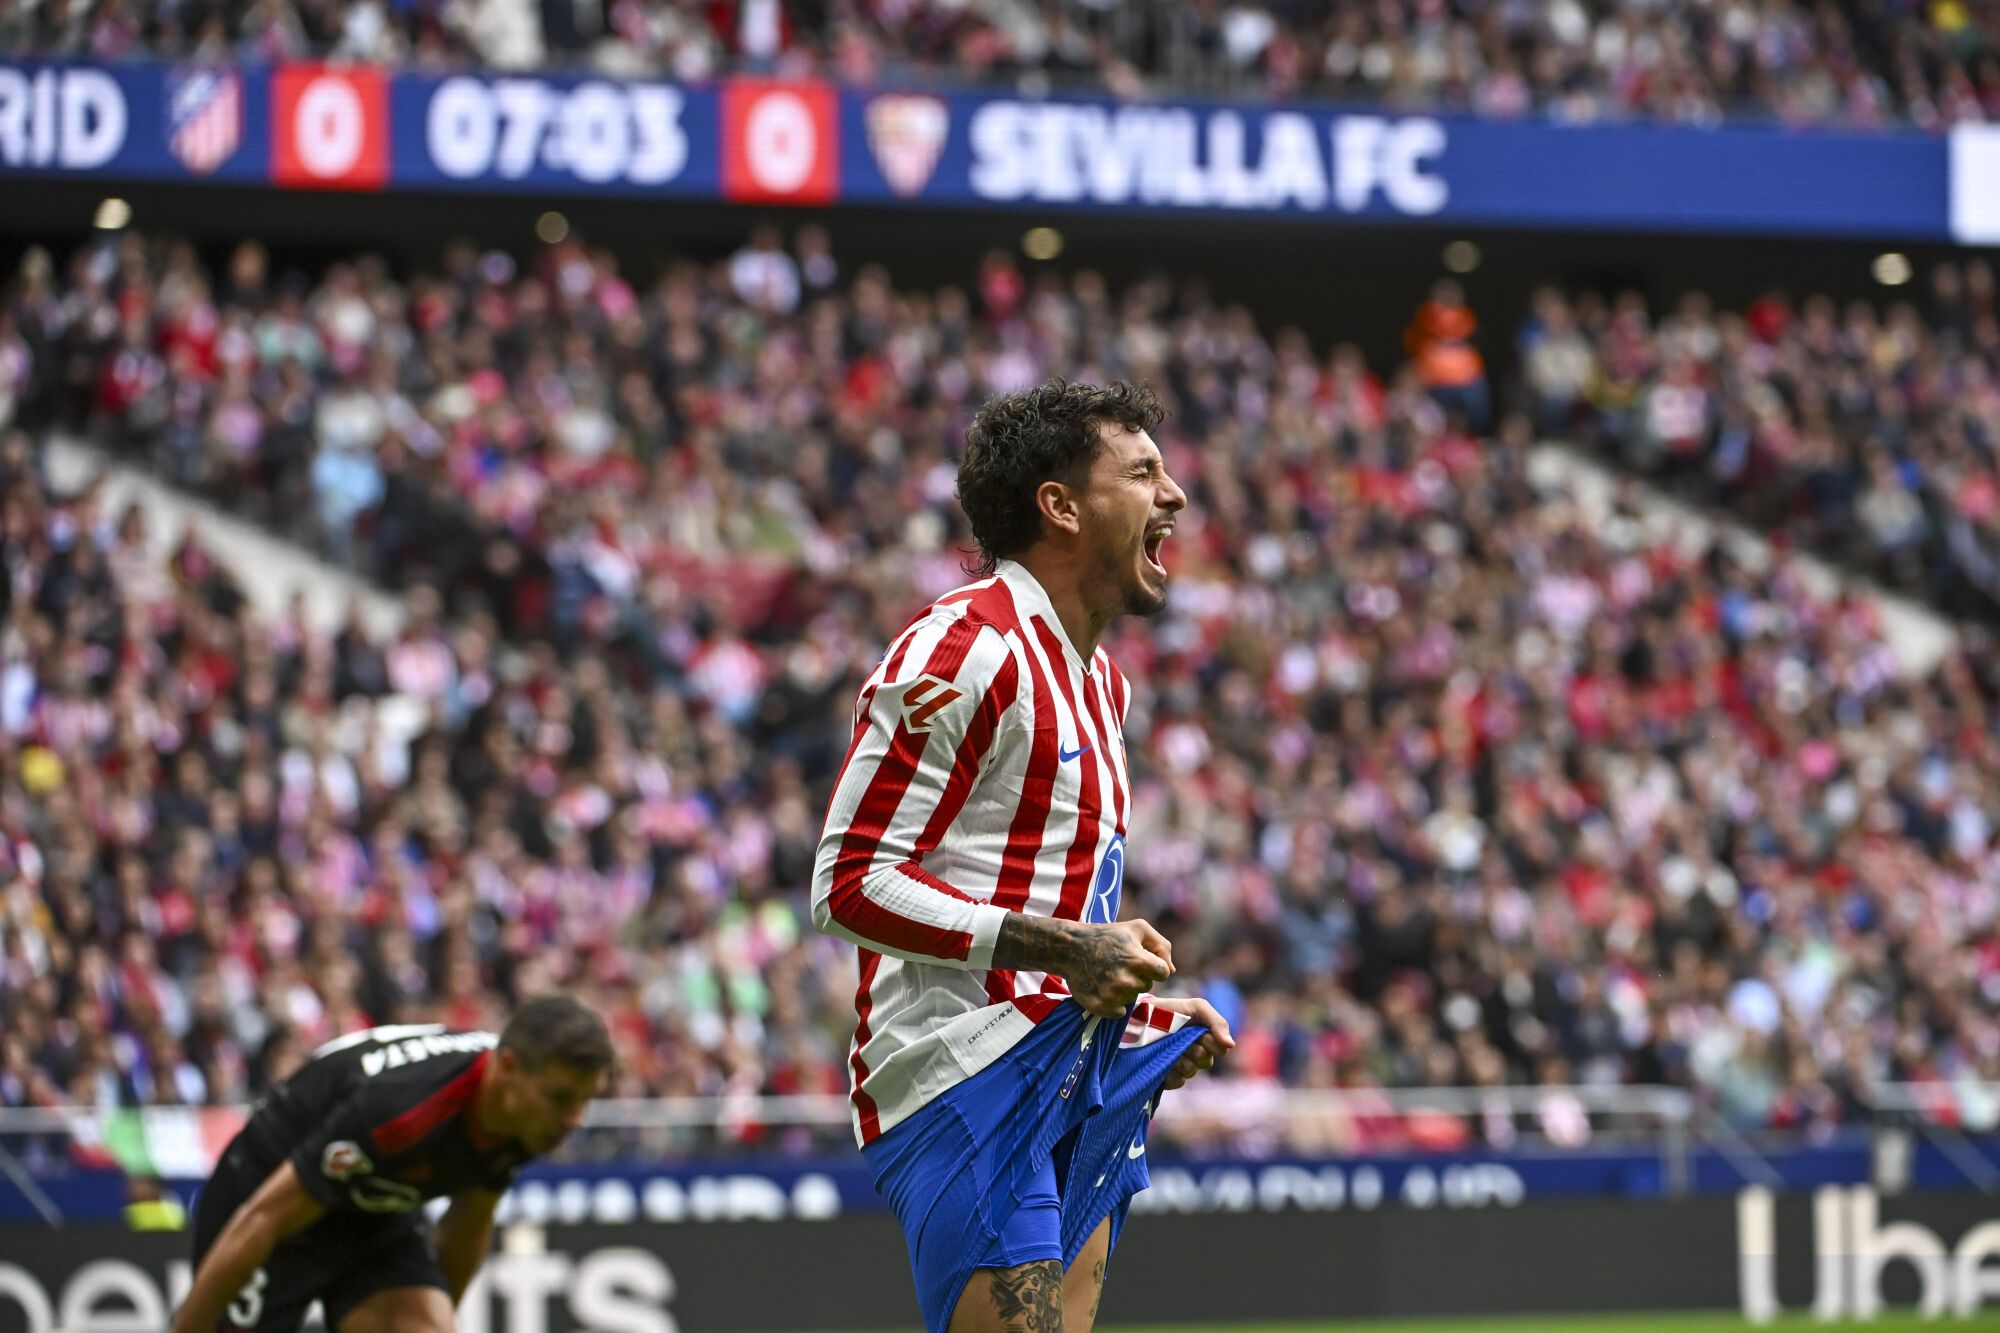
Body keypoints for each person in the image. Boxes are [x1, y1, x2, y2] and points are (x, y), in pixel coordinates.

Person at [812, 378, 1236, 1333]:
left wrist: (1137, 1010)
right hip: (964, 1071)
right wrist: (1068, 952)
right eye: (1143, 472)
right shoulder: (965, 648)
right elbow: (847, 883)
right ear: (1061, 505)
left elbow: (1053, 911)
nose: (1173, 495)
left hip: (1066, 1057)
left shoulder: (1102, 686)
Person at [171, 996, 614, 1333]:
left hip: (371, 1206)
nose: (574, 1120)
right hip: (269, 1198)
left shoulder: (526, 1113)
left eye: (584, 1101)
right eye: (561, 1099)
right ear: (510, 1068)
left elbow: (469, 1222)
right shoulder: (404, 1113)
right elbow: (263, 1218)